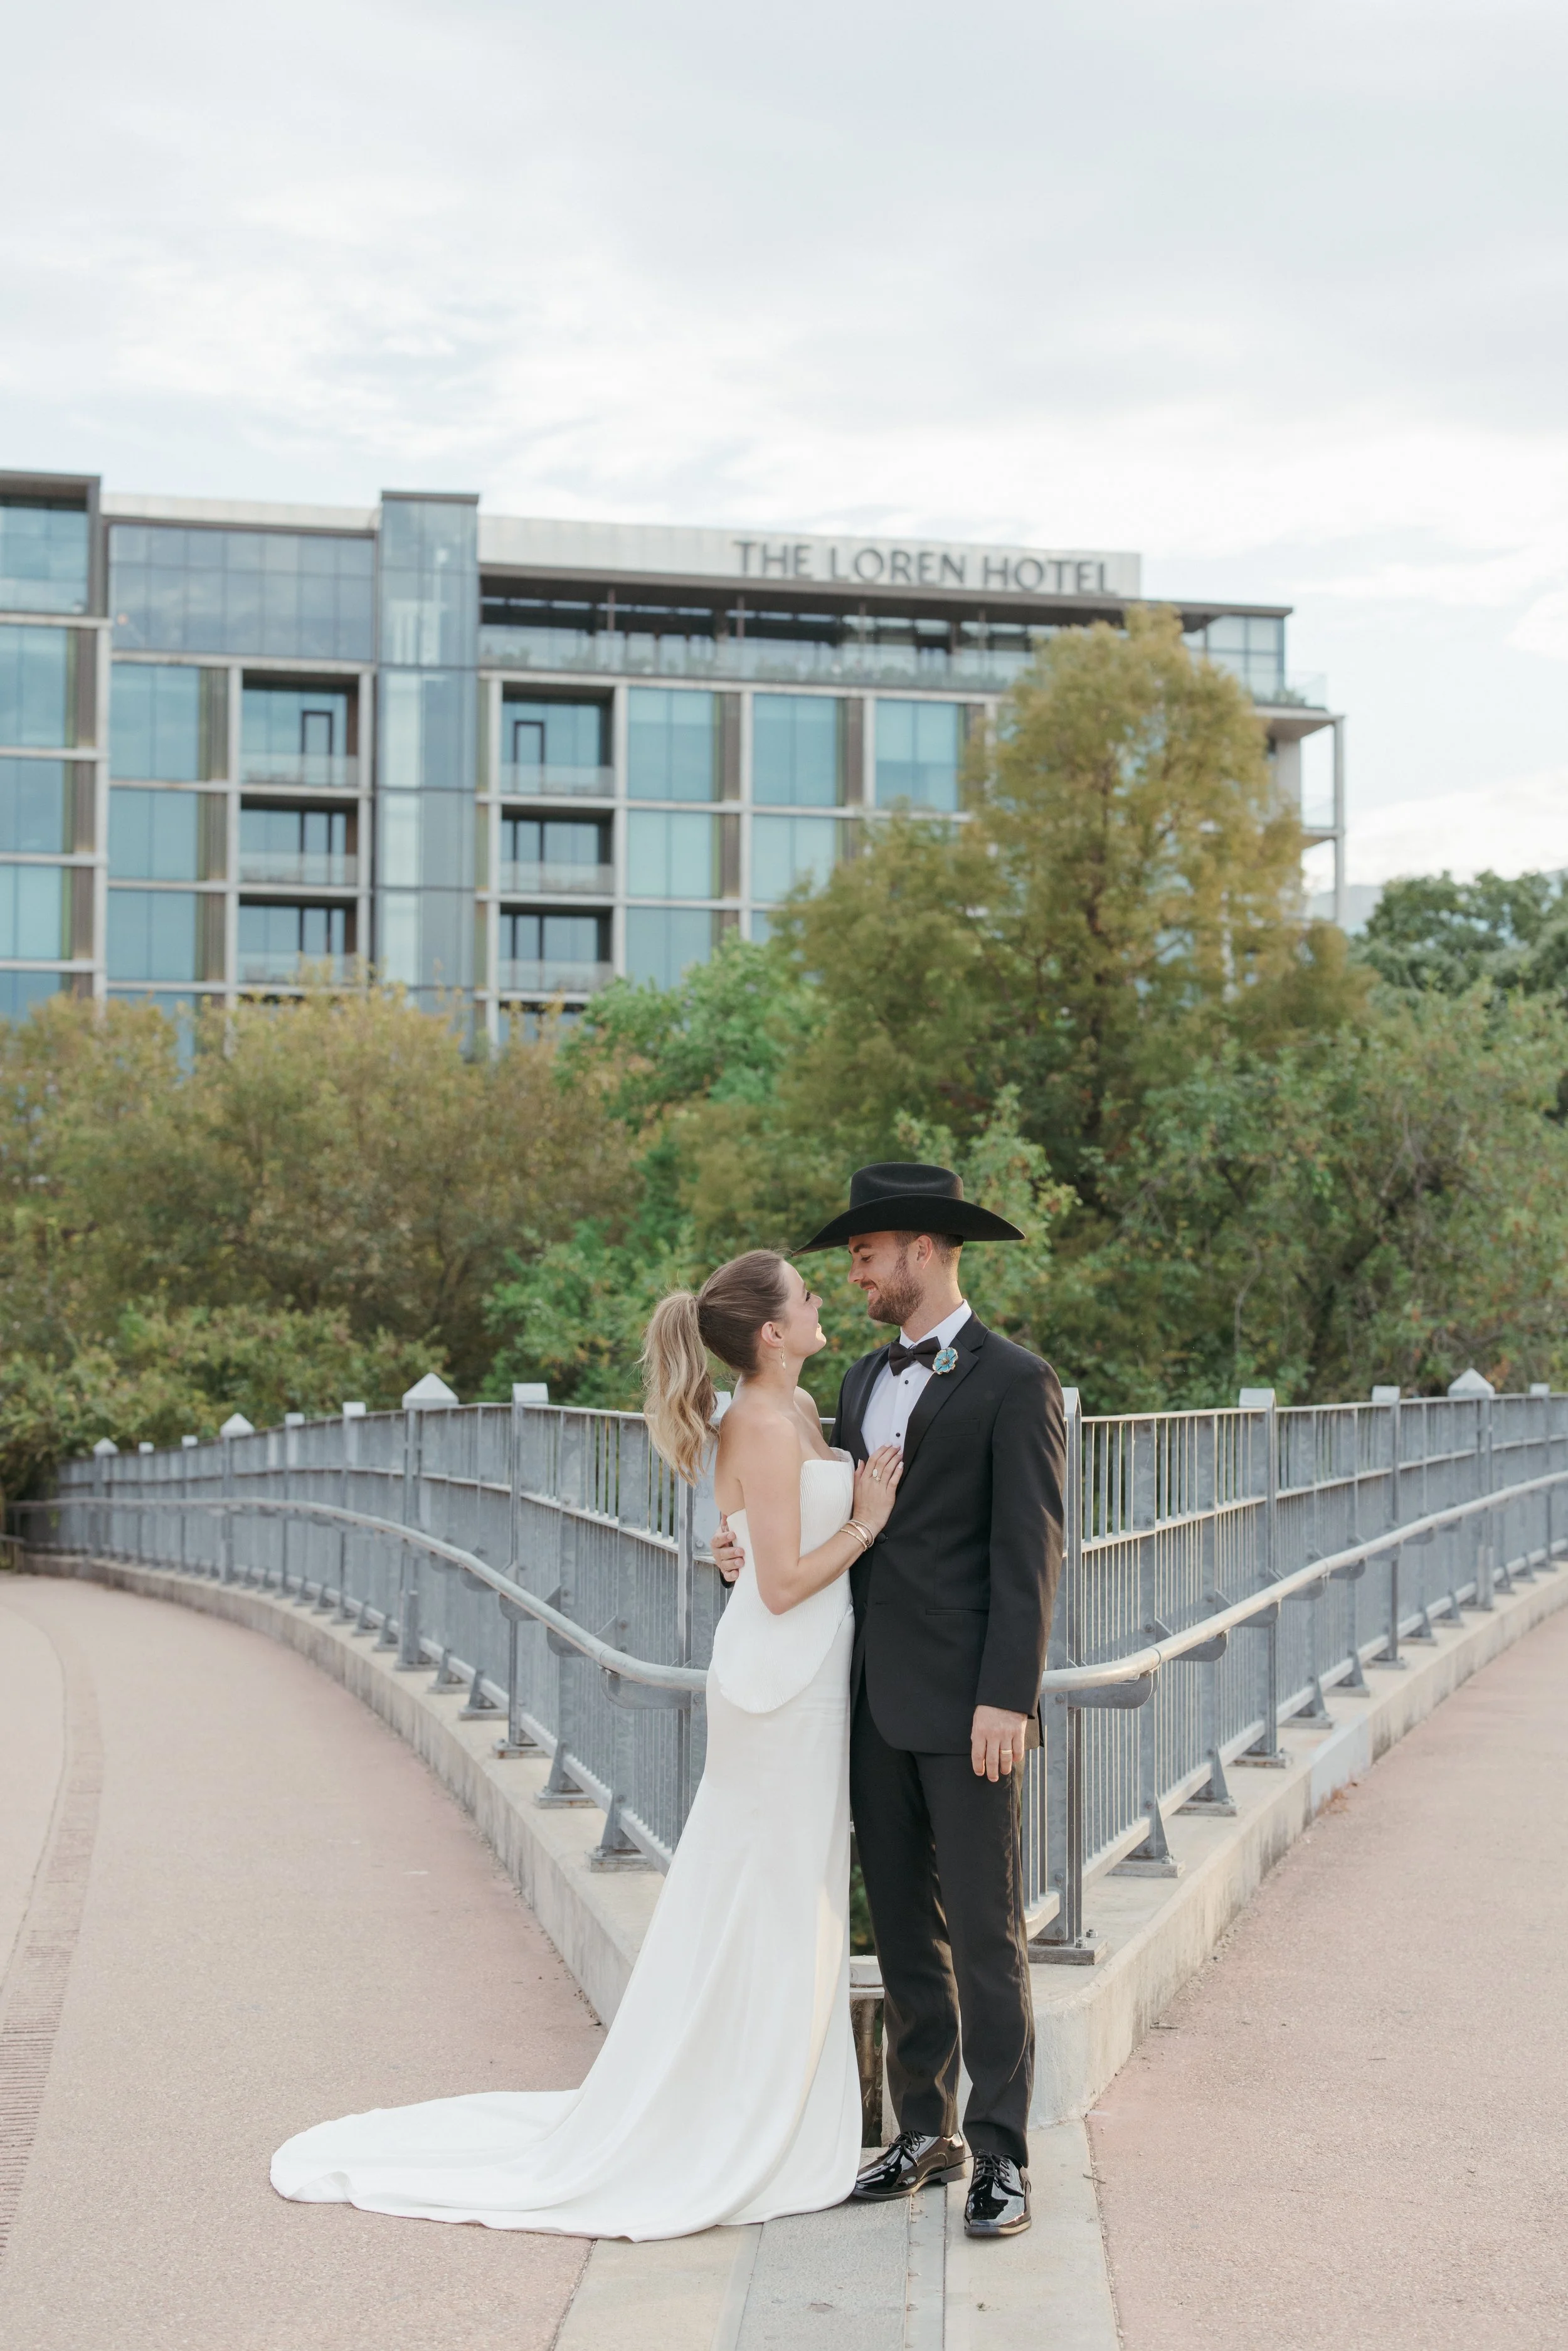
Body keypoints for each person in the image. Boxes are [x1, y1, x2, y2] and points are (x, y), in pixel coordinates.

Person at [270, 1249, 904, 2239]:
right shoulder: (764, 1422)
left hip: (807, 1671)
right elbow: (779, 1585)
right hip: (783, 1684)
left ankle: (769, 2110)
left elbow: (753, 1554)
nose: (825, 1305)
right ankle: (736, 2122)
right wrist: (867, 1523)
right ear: (772, 1333)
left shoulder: (799, 1409)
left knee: (788, 1893)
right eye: (810, 1297)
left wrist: (744, 1540)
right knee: (766, 1891)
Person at [718, 1162, 1065, 2238]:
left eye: (866, 1255)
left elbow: (1030, 1555)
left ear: (923, 1251)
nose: (855, 1274)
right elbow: (814, 1522)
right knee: (907, 1931)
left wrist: (1007, 1696)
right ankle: (926, 2130)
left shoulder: (1017, 1381)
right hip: (864, 1702)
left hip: (970, 1711)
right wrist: (735, 1549)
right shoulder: (861, 1382)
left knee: (989, 1931)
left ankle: (1002, 2153)